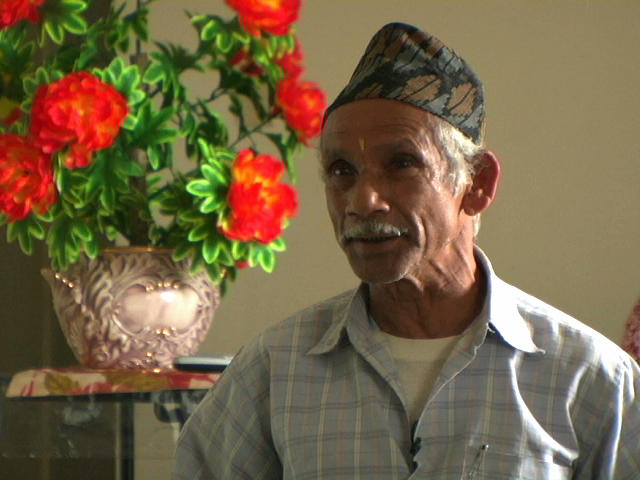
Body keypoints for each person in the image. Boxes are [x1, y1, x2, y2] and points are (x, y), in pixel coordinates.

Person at [173, 22, 640, 480]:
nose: (362, 201)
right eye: (341, 170)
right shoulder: (275, 370)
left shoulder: (590, 377)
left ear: (476, 184)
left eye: (401, 163)